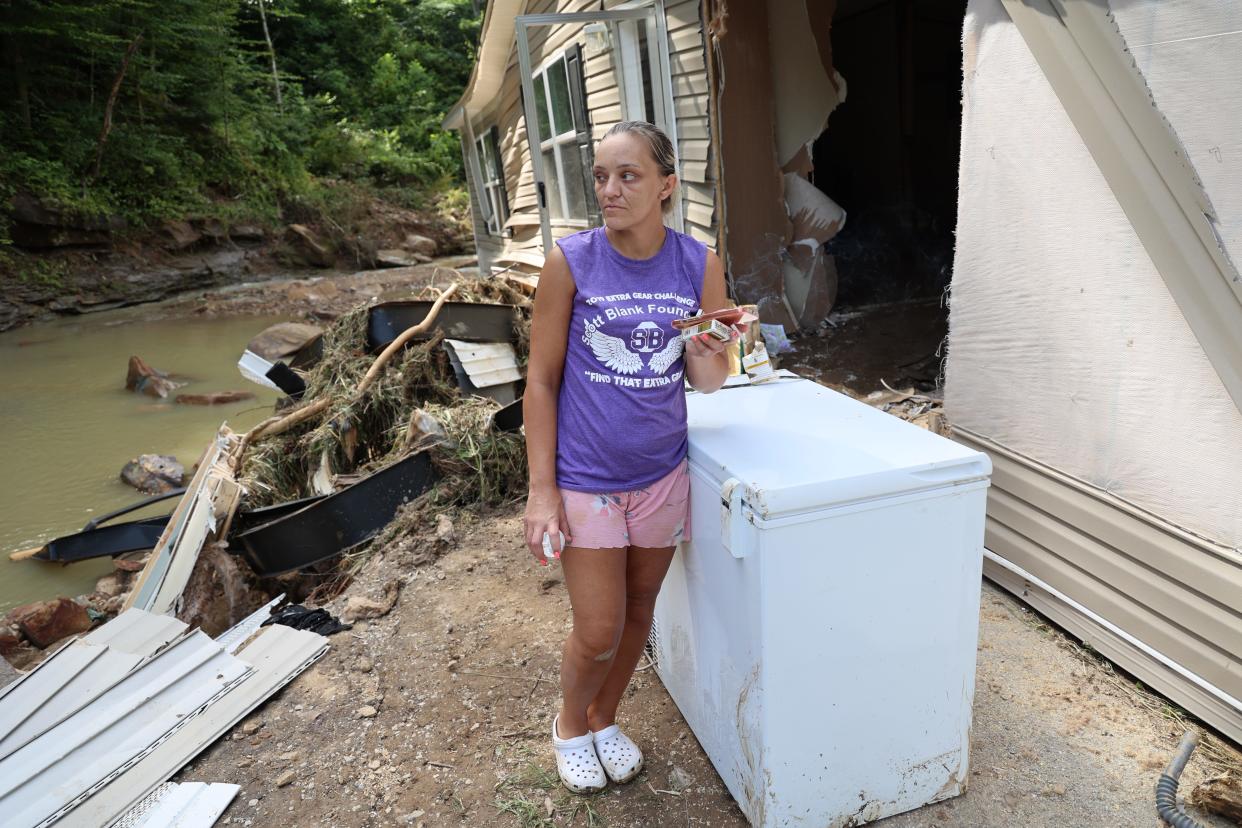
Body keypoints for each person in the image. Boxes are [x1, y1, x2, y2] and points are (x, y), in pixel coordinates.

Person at [522, 120, 735, 793]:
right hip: (587, 480)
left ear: (666, 186)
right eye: (602, 177)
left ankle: (603, 717)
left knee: (641, 610)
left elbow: (708, 379)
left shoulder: (700, 266)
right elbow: (541, 380)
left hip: (662, 475)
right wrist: (541, 489)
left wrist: (709, 353)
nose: (609, 190)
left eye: (628, 176)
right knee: (599, 629)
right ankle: (568, 724)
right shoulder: (571, 261)